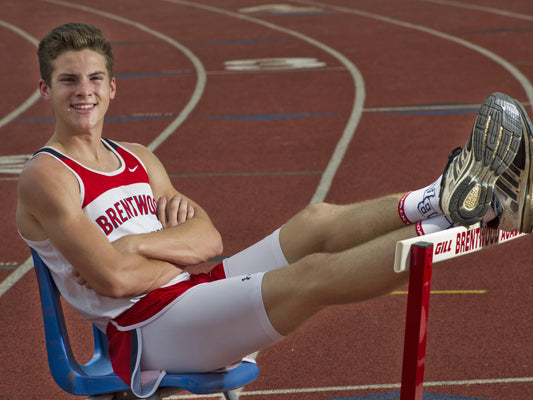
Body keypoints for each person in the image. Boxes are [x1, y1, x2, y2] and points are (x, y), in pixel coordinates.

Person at [16, 22, 533, 398]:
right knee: (310, 276)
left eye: (94, 78)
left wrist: (135, 246)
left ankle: (441, 199)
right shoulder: (47, 176)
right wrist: (159, 255)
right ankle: (475, 210)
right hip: (146, 332)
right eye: (68, 80)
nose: (84, 91)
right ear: (45, 90)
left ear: (112, 87)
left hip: (190, 294)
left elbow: (209, 243)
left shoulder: (139, 158)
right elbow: (111, 279)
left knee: (315, 221)